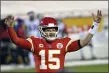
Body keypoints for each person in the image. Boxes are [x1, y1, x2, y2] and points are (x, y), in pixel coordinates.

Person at [5, 10, 102, 72]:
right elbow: (16, 40)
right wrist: (9, 27)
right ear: (41, 31)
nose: (51, 32)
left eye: (53, 30)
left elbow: (84, 42)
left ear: (57, 30)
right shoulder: (35, 42)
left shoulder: (64, 42)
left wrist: (95, 25)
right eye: (48, 30)